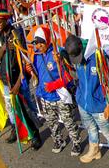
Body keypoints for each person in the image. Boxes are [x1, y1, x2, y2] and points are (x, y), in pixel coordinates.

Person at [65, 34, 109, 168]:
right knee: (90, 129)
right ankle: (94, 150)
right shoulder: (74, 54)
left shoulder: (99, 57)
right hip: (83, 104)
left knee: (108, 132)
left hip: (99, 106)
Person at [0, 8, 42, 150]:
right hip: (5, 80)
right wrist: (4, 49)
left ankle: (35, 135)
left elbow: (24, 62)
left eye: (0, 22)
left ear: (6, 20)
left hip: (18, 80)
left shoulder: (16, 34)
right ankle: (16, 129)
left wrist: (18, 85)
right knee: (11, 109)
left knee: (26, 108)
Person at [27, 26, 81, 156]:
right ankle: (58, 140)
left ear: (47, 41)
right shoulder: (36, 56)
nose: (38, 46)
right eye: (36, 44)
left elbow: (70, 75)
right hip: (45, 96)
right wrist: (31, 70)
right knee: (51, 122)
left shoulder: (59, 53)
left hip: (59, 96)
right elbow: (37, 76)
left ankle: (76, 142)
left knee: (68, 121)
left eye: (41, 43)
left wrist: (55, 84)